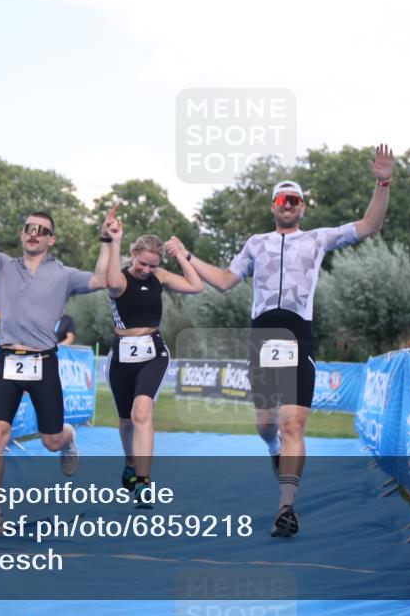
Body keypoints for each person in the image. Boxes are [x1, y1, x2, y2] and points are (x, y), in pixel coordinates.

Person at [187, 144, 393, 537]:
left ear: (303, 207)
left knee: (293, 422)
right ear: (273, 206)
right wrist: (188, 256)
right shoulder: (255, 243)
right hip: (263, 335)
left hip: (298, 333)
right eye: (282, 199)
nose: (288, 204)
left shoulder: (317, 239)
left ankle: (286, 509)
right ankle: (272, 450)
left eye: (294, 199)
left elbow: (369, 225)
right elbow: (226, 282)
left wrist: (383, 182)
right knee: (267, 425)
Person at [0, 206, 113, 521]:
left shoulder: (63, 274)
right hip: (7, 359)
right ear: (22, 233)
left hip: (43, 362)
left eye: (42, 230)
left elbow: (103, 278)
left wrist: (106, 239)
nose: (34, 234)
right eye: (29, 228)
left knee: (50, 441)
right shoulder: (2, 266)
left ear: (52, 239)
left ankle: (68, 437)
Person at [104, 222, 203, 507]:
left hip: (153, 353)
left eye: (152, 265)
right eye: (142, 263)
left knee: (142, 411)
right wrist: (115, 241)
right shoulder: (120, 280)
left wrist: (181, 257)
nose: (146, 270)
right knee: (125, 422)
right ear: (133, 254)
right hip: (121, 357)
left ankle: (144, 485)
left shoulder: (160, 275)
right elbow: (110, 281)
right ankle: (131, 461)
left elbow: (196, 286)